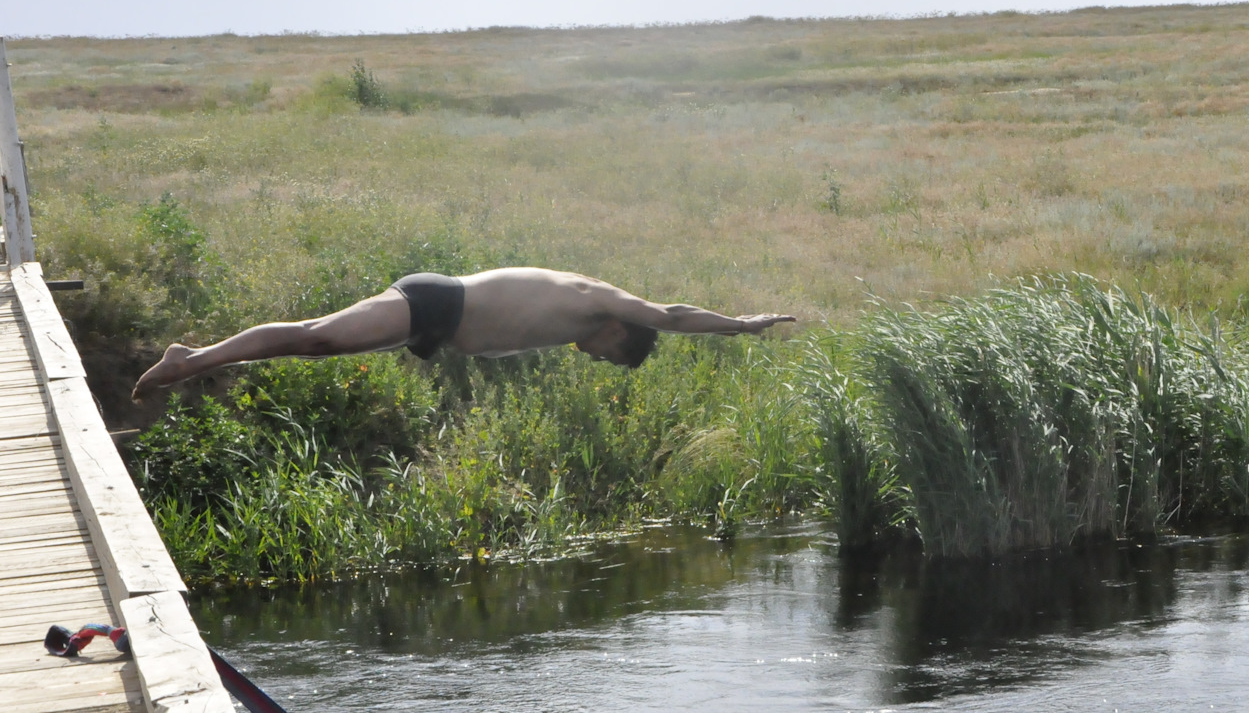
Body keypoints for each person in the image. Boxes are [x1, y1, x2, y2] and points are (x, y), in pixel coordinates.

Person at [132, 267, 796, 400]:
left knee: (316, 347)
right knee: (318, 337)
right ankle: (191, 358)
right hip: (435, 299)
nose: (596, 355)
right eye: (610, 354)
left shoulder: (582, 322)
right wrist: (741, 325)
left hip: (438, 327)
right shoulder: (602, 300)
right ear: (623, 330)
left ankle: (197, 359)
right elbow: (673, 313)